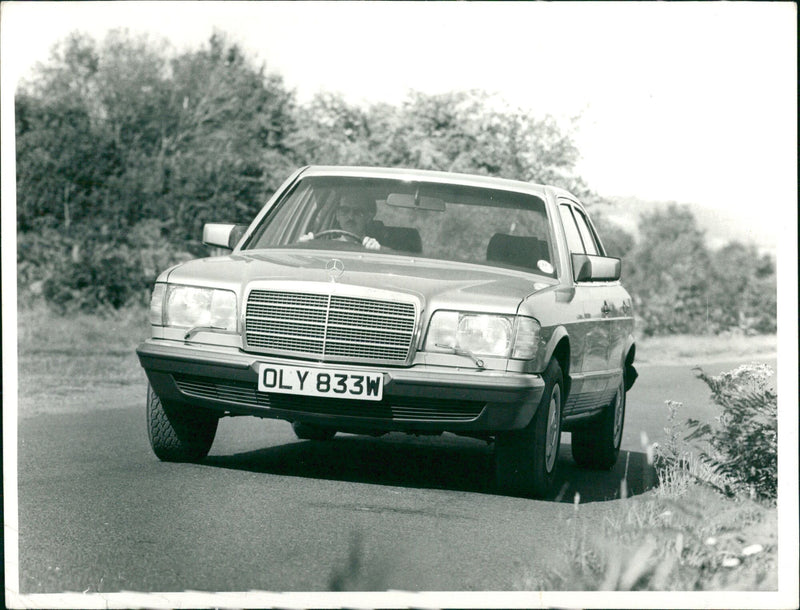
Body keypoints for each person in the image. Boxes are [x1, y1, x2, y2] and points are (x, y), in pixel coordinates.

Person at [299, 192, 382, 250]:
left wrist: (375, 252)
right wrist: (305, 247)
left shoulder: (372, 247)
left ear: (368, 218)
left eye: (358, 212)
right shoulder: (324, 246)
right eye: (344, 210)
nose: (350, 216)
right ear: (337, 216)